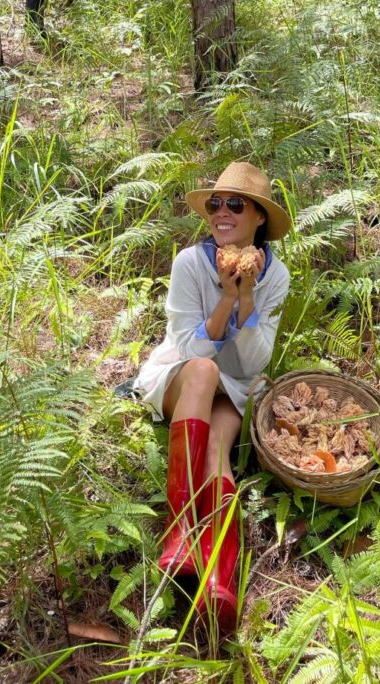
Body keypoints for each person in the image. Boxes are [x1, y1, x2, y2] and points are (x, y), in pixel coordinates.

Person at [134, 161, 291, 632]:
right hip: (182, 377)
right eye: (216, 204)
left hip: (236, 387)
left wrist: (248, 299)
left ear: (259, 216)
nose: (222, 213)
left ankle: (220, 577)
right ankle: (179, 531)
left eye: (236, 205)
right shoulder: (189, 263)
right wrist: (224, 298)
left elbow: (251, 365)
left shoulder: (275, 275)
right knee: (203, 369)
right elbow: (187, 347)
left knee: (219, 451)